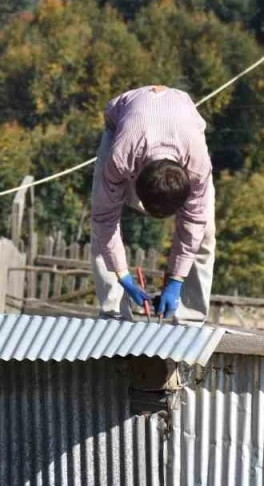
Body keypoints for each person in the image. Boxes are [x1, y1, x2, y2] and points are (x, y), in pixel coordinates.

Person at [90, 85, 215, 323]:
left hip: (182, 127)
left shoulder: (198, 166)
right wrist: (124, 277)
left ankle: (190, 318)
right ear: (135, 184)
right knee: (100, 220)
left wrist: (176, 280)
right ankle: (113, 313)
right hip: (123, 125)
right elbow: (105, 219)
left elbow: (194, 221)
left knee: (204, 232)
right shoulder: (120, 158)